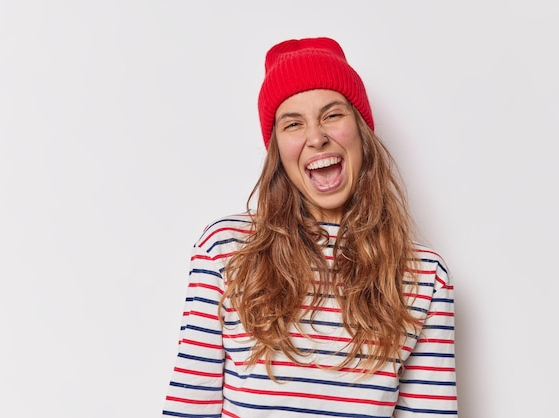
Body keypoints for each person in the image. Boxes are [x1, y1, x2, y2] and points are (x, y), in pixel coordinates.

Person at [162, 37, 457, 417]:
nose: (316, 137)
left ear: (362, 131)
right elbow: (190, 409)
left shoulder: (425, 276)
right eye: (293, 123)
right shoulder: (226, 251)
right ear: (277, 151)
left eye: (332, 115)